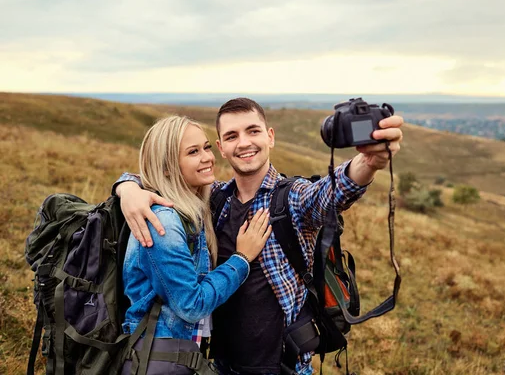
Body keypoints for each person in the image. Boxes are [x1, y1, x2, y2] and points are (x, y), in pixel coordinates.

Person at [114, 98, 404, 375]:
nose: (244, 143)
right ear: (222, 149)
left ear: (270, 137)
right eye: (231, 136)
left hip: (281, 365)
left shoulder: (291, 199)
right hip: (217, 363)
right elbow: (160, 174)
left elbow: (330, 193)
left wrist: (369, 162)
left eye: (252, 131)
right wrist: (127, 189)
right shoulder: (212, 201)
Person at [120, 115, 271, 375]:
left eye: (206, 148)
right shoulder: (163, 222)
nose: (207, 158)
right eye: (193, 152)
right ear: (167, 167)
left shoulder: (192, 209)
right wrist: (242, 259)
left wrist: (125, 186)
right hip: (157, 359)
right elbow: (191, 305)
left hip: (178, 355)